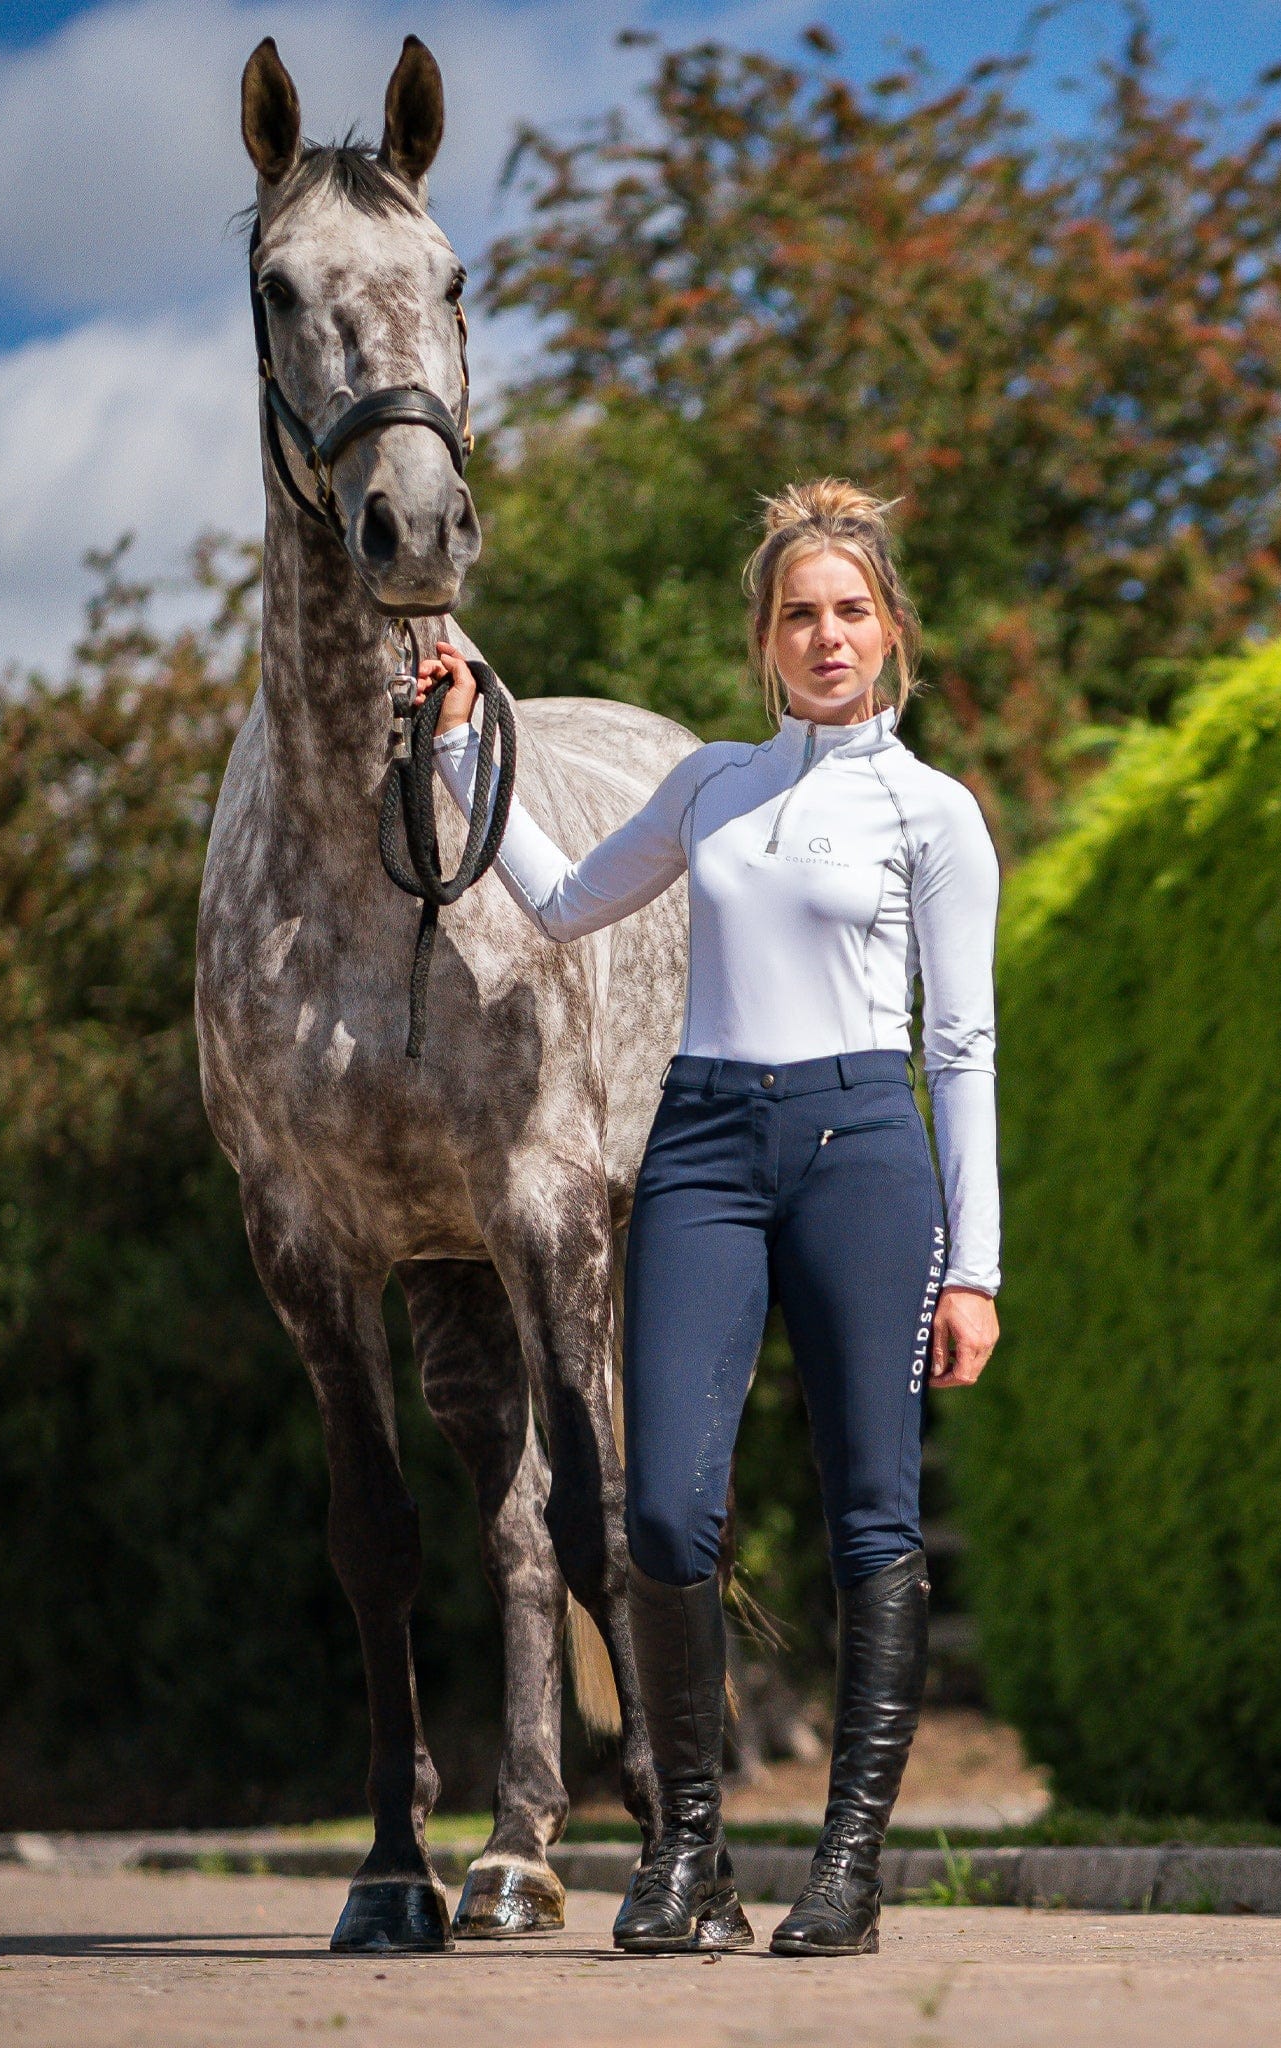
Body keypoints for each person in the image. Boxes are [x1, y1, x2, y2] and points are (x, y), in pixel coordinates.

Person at [415, 479, 1000, 1959]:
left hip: (866, 1144)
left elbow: (963, 1051)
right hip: (707, 1144)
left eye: (850, 611)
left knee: (874, 1511)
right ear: (765, 637)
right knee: (662, 1505)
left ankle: (849, 1868)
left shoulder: (935, 814)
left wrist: (974, 1267)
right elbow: (554, 901)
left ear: (890, 634)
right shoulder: (712, 789)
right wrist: (473, 739)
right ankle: (688, 1858)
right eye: (799, 612)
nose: (825, 635)